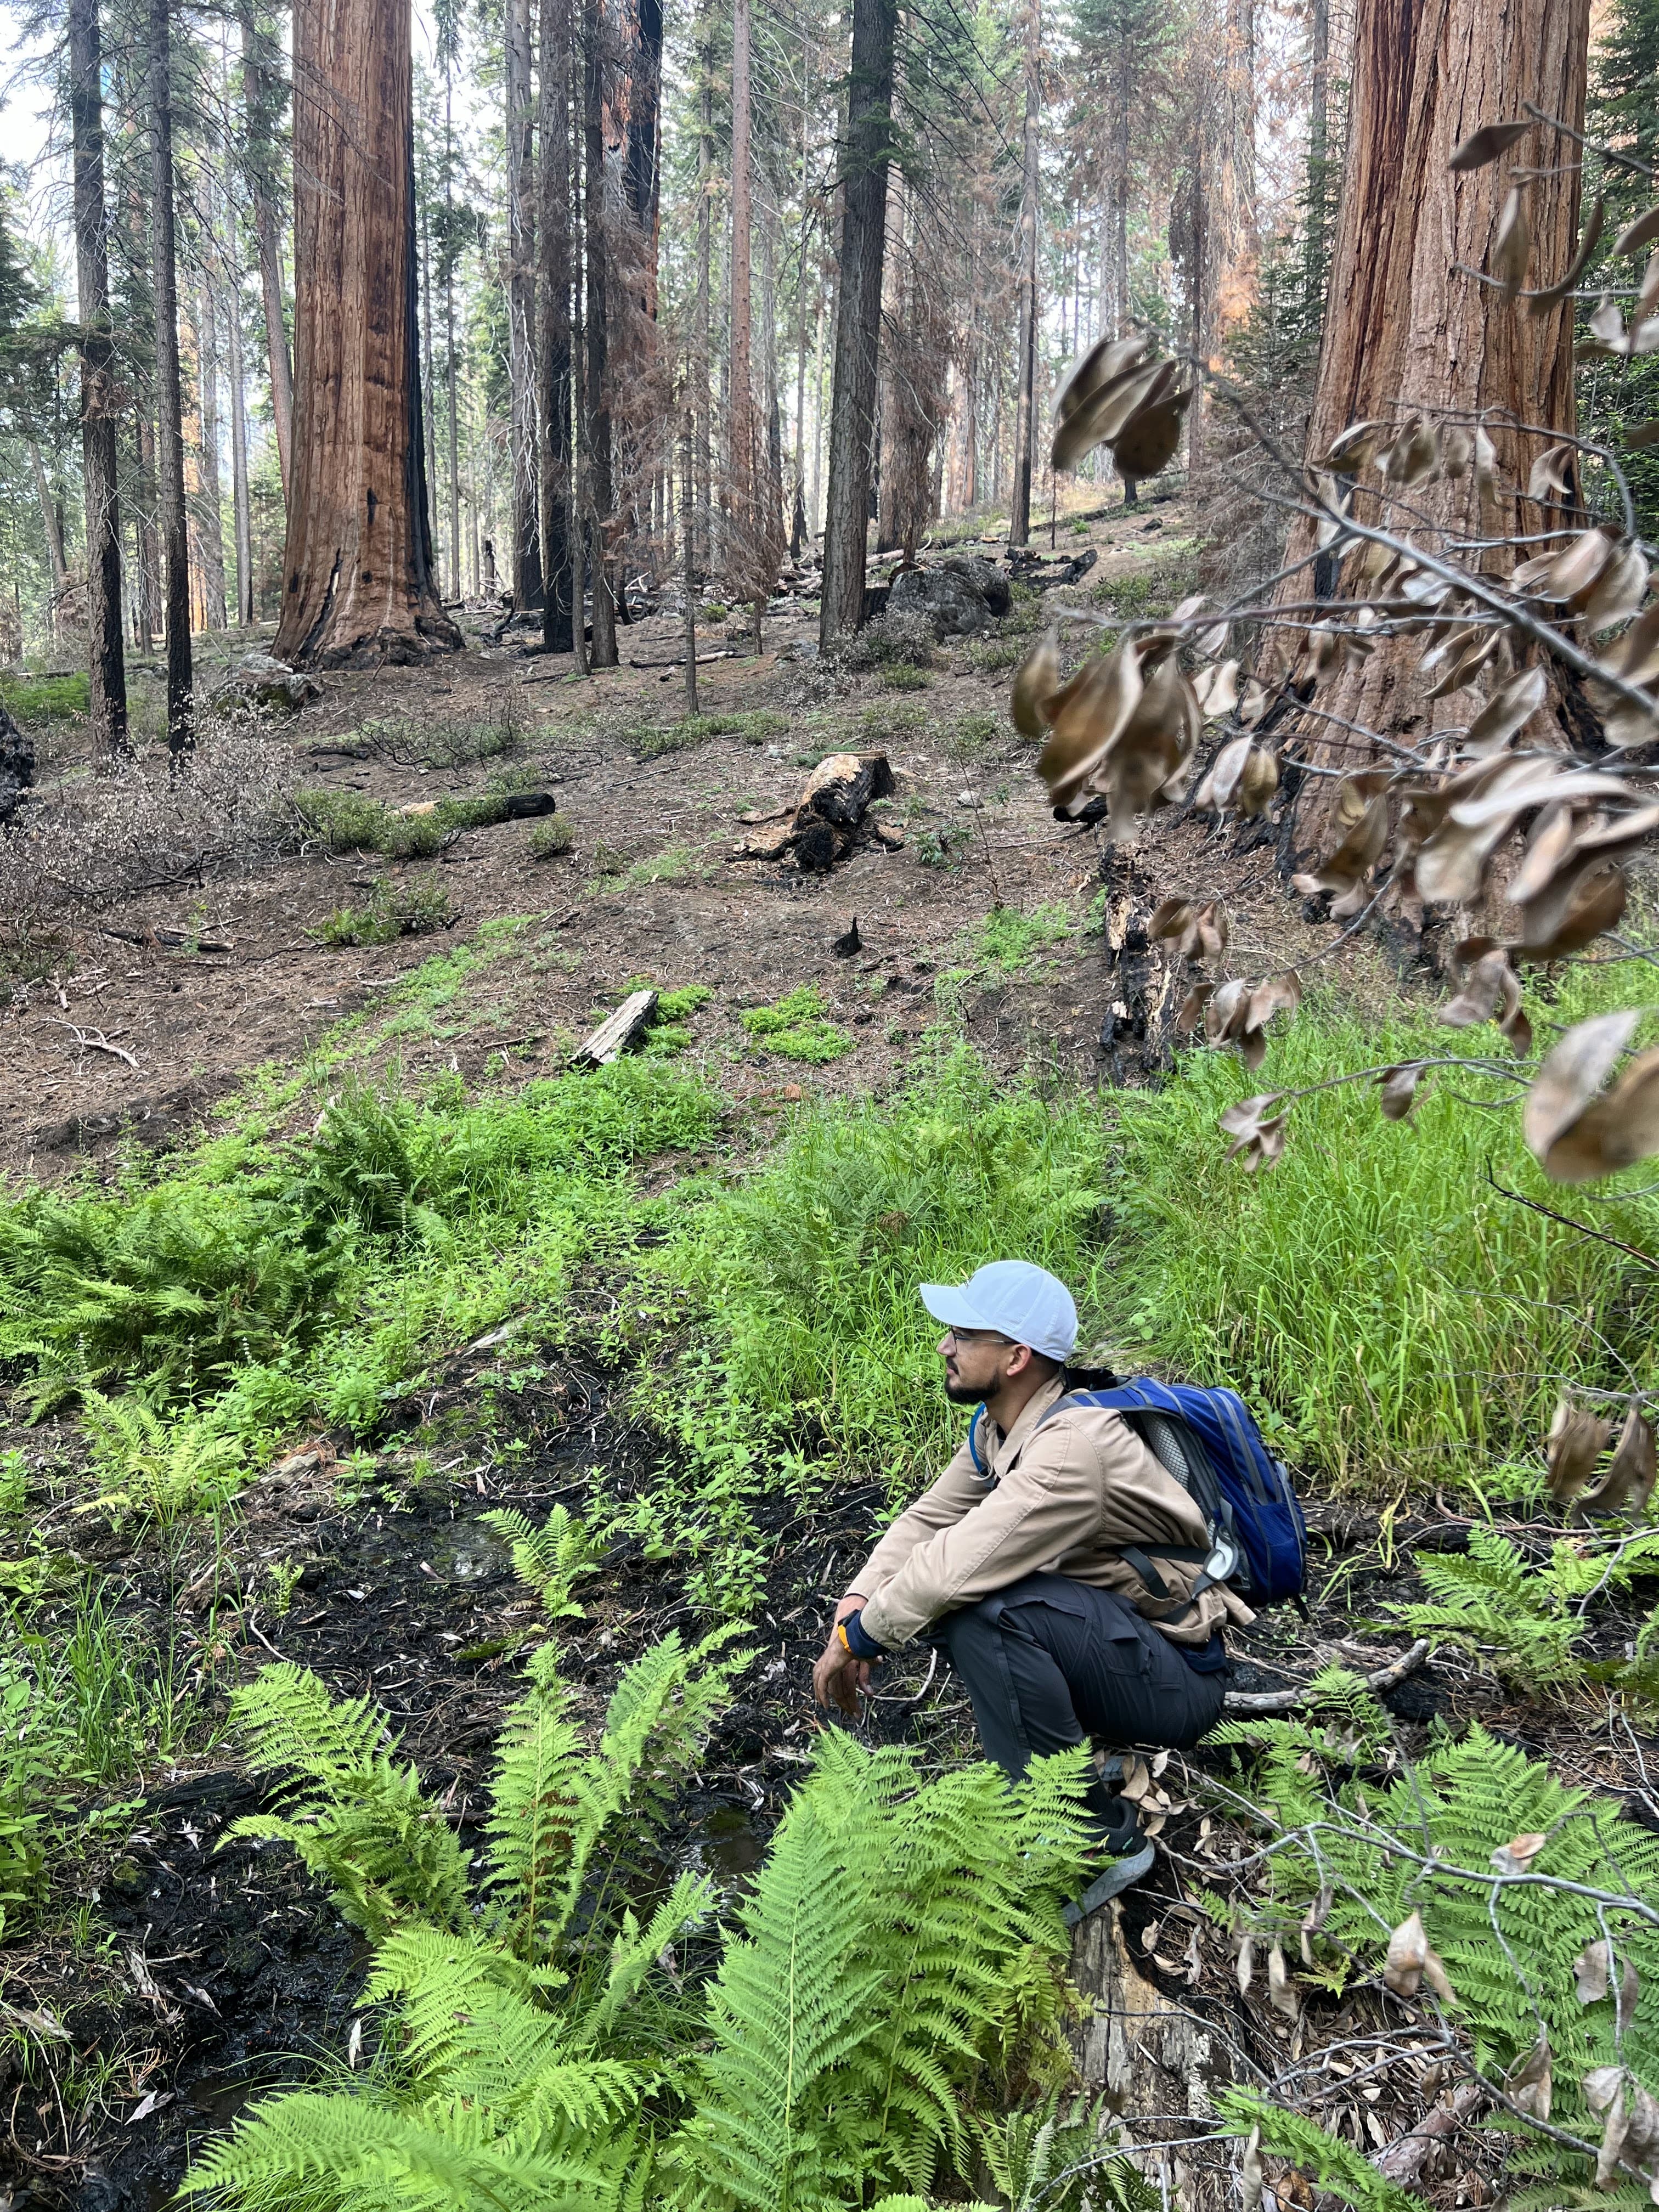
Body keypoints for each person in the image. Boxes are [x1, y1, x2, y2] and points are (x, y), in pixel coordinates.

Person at [811, 1259, 1250, 1910]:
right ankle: (1061, 1781)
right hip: (1126, 1645)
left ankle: (1098, 1843)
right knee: (981, 1604)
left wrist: (857, 1639)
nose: (944, 1347)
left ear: (1016, 1357)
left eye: (962, 1335)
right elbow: (930, 1517)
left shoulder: (1071, 1448)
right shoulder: (1003, 1426)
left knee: (984, 1613)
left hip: (1179, 1680)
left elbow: (953, 1564)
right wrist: (857, 1599)